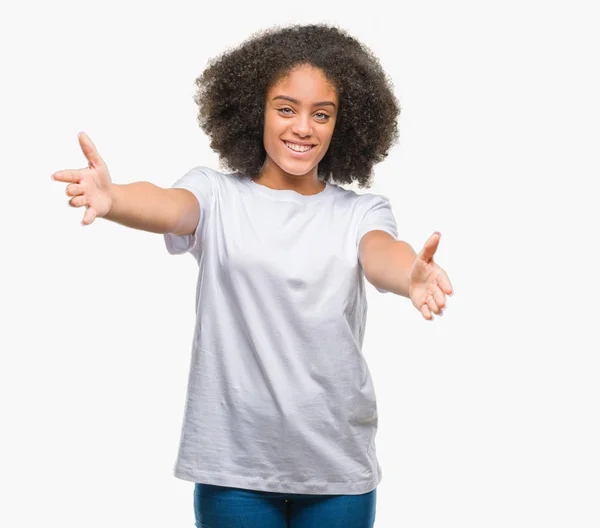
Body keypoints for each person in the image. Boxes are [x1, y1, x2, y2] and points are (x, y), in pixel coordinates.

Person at [52, 23, 453, 528]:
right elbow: (169, 207)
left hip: (336, 469)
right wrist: (115, 200)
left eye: (321, 114)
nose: (303, 128)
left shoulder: (360, 212)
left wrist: (410, 277)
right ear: (254, 110)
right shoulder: (217, 196)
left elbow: (382, 255)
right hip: (233, 467)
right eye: (286, 108)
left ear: (341, 125)